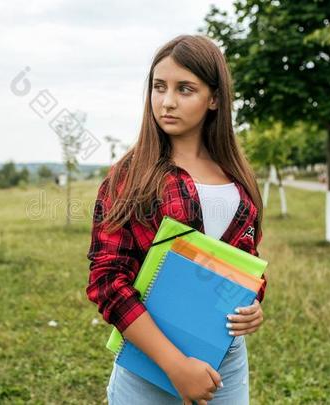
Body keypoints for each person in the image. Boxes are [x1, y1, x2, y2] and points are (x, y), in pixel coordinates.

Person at [86, 34, 267, 405]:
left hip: (225, 364)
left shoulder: (237, 179)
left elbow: (244, 262)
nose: (167, 102)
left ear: (214, 98)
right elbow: (107, 280)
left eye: (185, 89)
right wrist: (175, 365)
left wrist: (253, 304)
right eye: (158, 87)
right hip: (150, 366)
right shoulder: (130, 176)